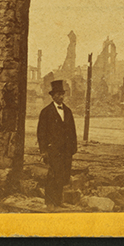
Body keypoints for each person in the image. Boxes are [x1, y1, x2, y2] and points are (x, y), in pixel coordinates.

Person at [37, 79, 78, 211]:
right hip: (52, 150)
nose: (61, 97)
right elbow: (41, 133)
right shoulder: (46, 112)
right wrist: (44, 151)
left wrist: (73, 148)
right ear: (52, 96)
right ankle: (49, 202)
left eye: (62, 94)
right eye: (58, 94)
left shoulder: (68, 111)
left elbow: (73, 131)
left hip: (66, 150)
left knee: (63, 175)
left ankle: (58, 201)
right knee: (52, 175)